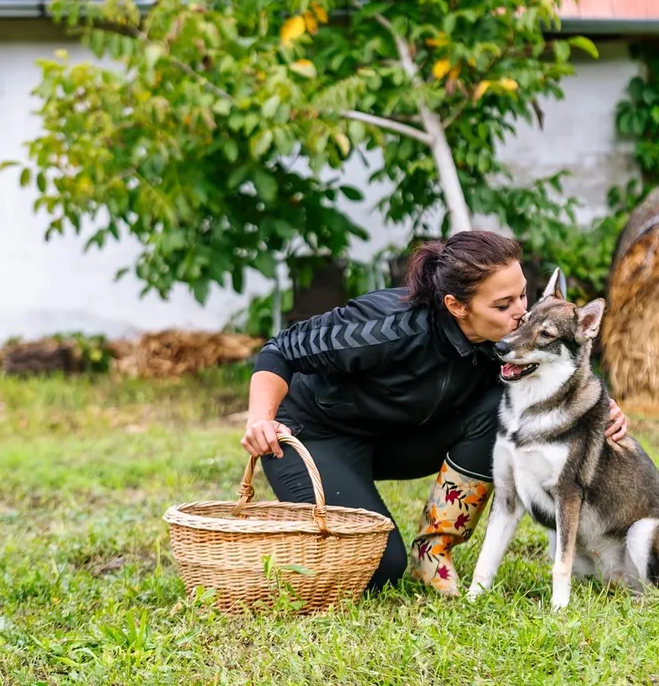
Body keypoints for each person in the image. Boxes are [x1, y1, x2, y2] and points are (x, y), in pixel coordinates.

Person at [241, 230, 630, 596]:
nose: (521, 313)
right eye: (503, 305)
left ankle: (433, 549)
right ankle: (293, 528)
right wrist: (260, 418)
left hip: (400, 438)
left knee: (498, 408)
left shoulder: (502, 342)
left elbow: (562, 375)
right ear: (456, 306)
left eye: (523, 296)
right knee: (378, 568)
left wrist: (602, 412)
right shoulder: (385, 326)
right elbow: (281, 350)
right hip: (314, 437)